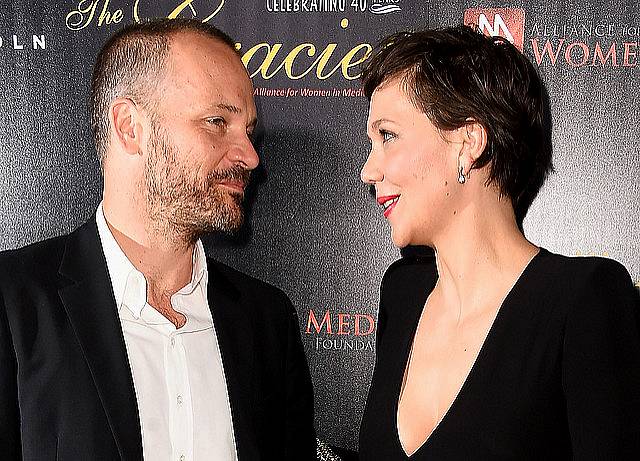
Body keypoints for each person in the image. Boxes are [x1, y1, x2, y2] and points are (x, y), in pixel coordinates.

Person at [0, 19, 315, 460]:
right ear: (130, 127)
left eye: (248, 130)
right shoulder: (13, 301)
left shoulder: (267, 320)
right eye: (217, 122)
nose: (249, 155)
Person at [358, 25, 640, 459]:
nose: (368, 170)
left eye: (387, 135)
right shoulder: (402, 293)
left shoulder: (582, 300)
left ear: (468, 142)